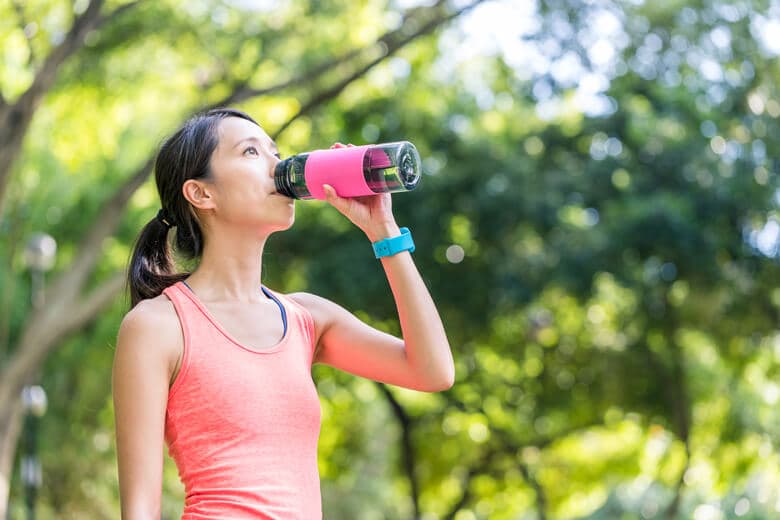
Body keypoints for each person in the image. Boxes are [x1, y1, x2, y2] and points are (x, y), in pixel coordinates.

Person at [112, 107, 455, 519]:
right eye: (251, 152)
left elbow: (433, 370)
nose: (278, 165)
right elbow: (139, 510)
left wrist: (384, 233)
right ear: (202, 193)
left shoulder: (305, 318)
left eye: (275, 151)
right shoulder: (157, 326)